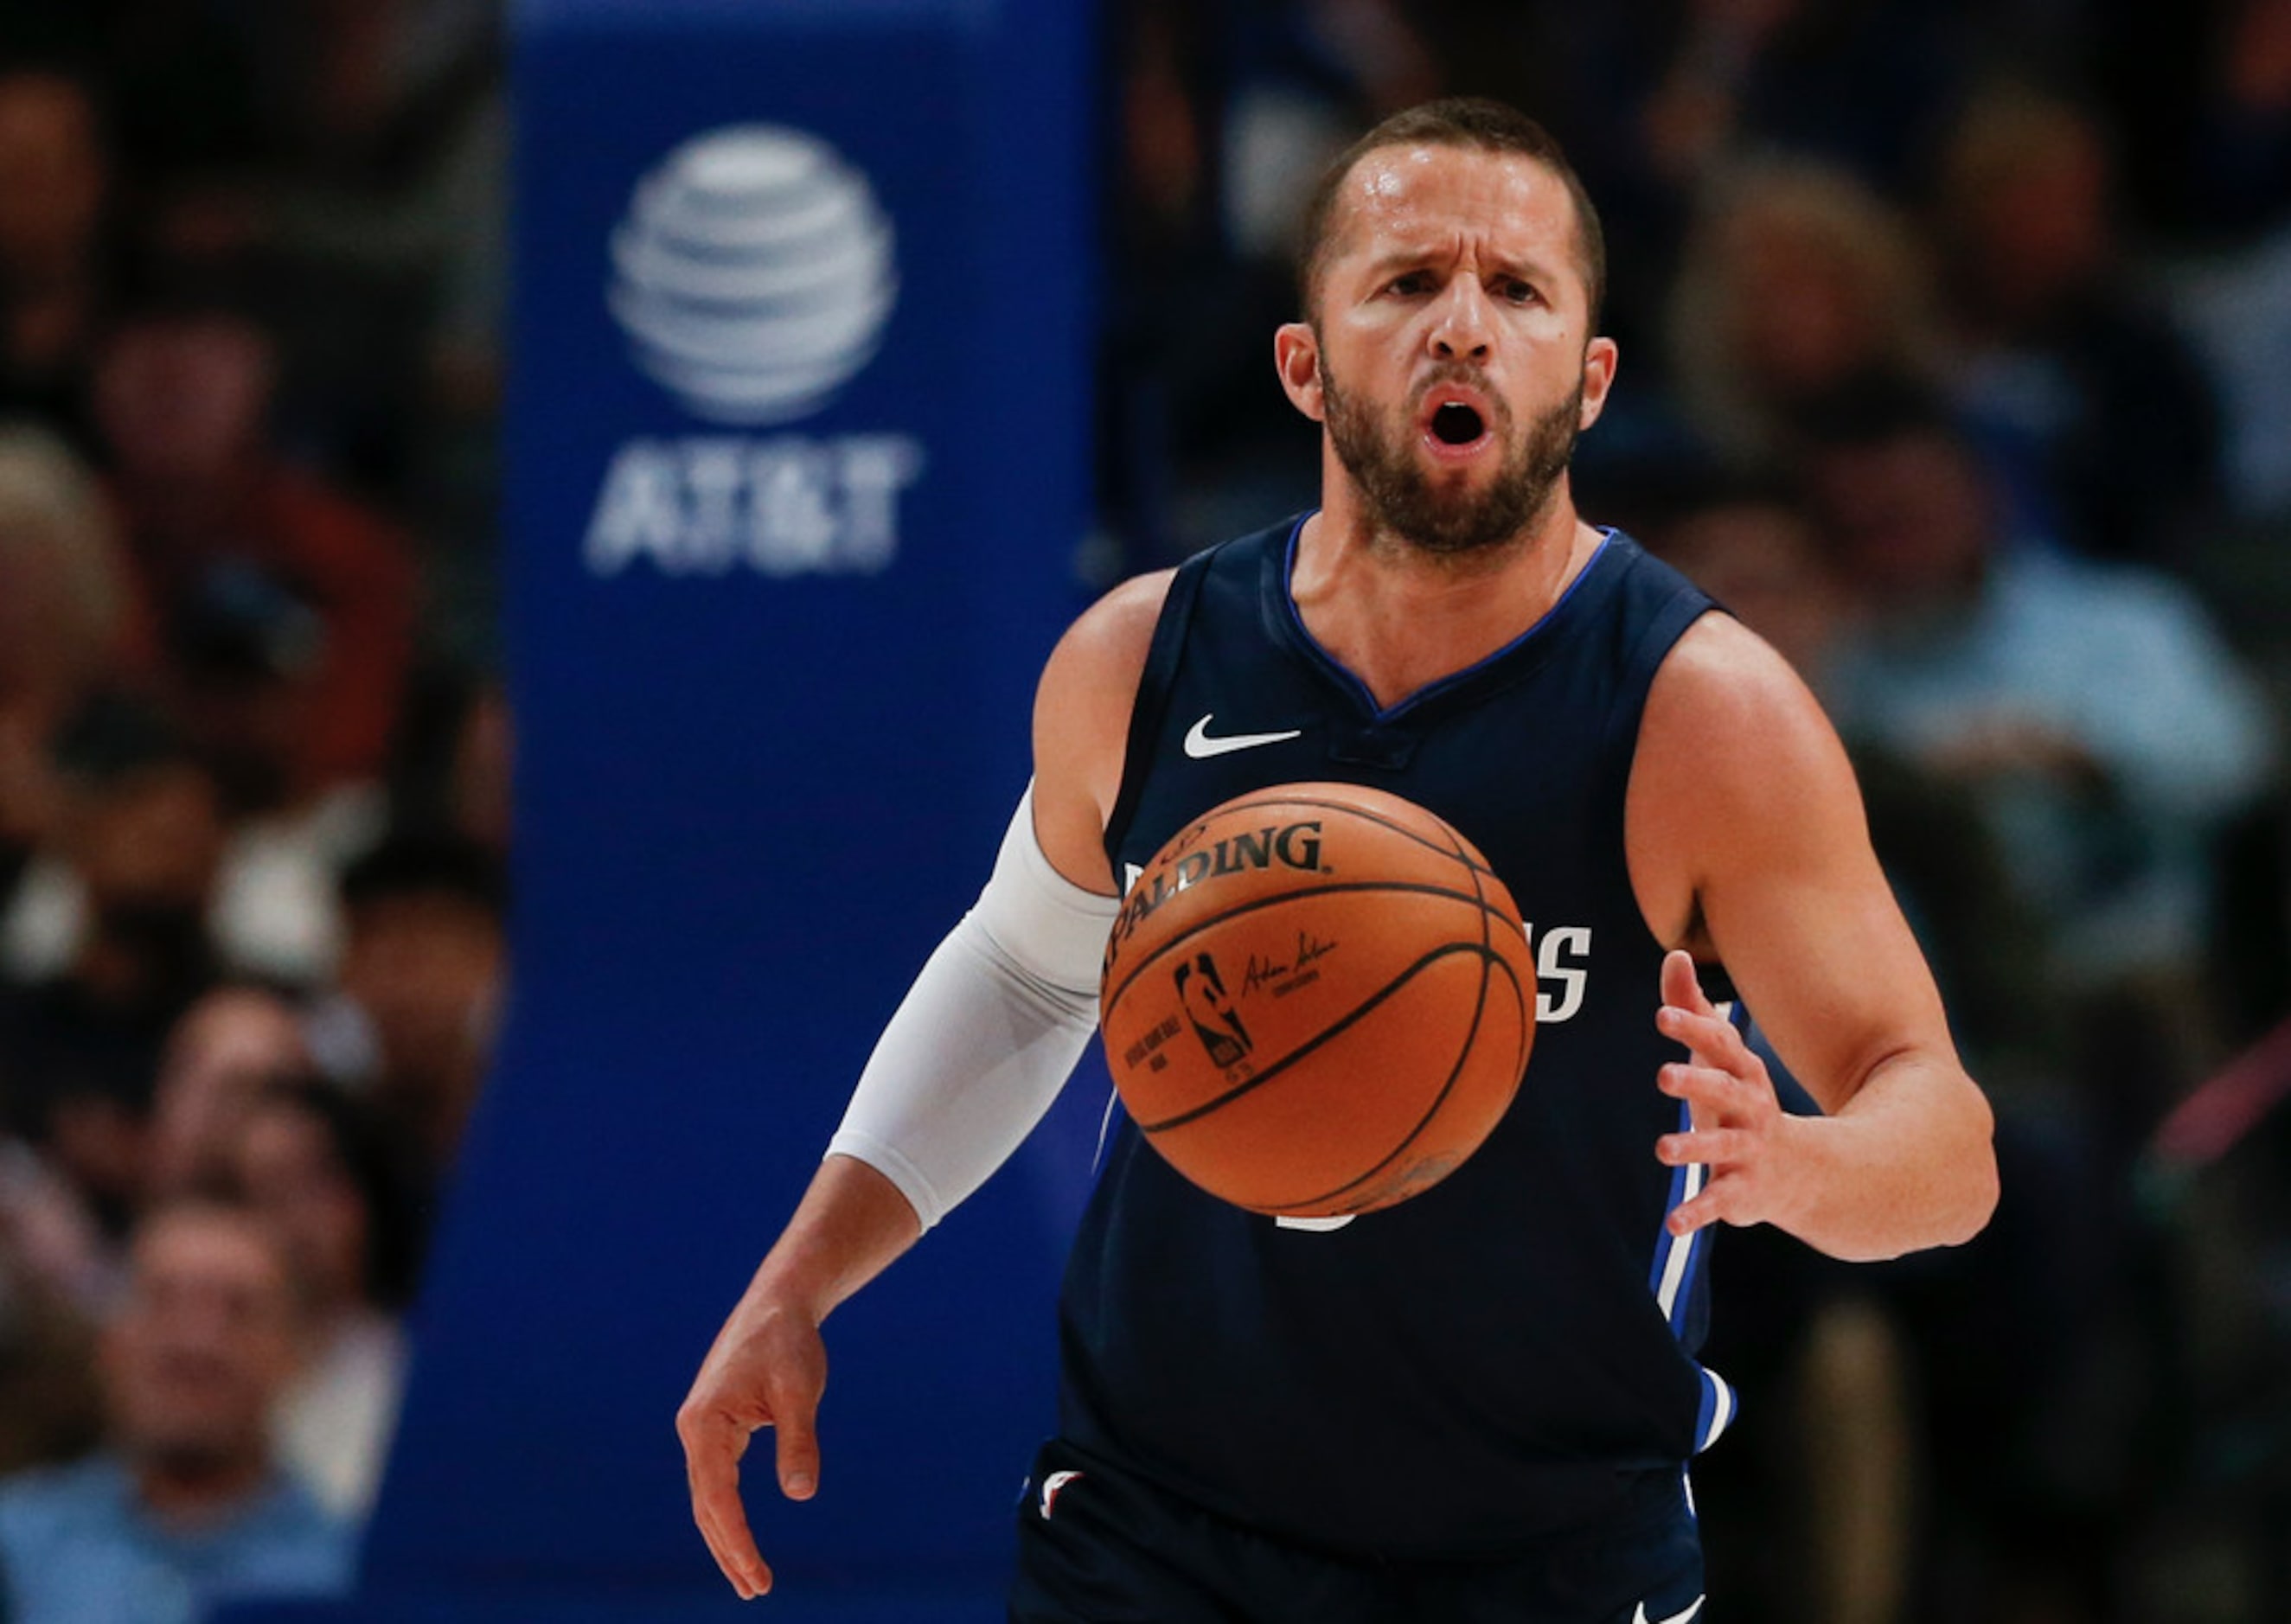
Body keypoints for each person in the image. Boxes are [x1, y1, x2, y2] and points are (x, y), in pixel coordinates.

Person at [679, 99, 1999, 1622]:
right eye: (1402, 283)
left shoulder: (1697, 712)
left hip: (1540, 1559)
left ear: (1587, 376)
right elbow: (1022, 975)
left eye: (1515, 290)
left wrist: (1797, 1163)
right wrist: (799, 1277)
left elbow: (1947, 1147)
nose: (1461, 327)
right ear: (1302, 361)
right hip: (1152, 1533)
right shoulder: (1142, 657)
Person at [0, 1195, 354, 1624]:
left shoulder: (347, 1576)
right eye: (161, 1301)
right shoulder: (15, 1549)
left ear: (295, 1356)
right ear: (111, 1343)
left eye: (239, 1310)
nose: (196, 1342)